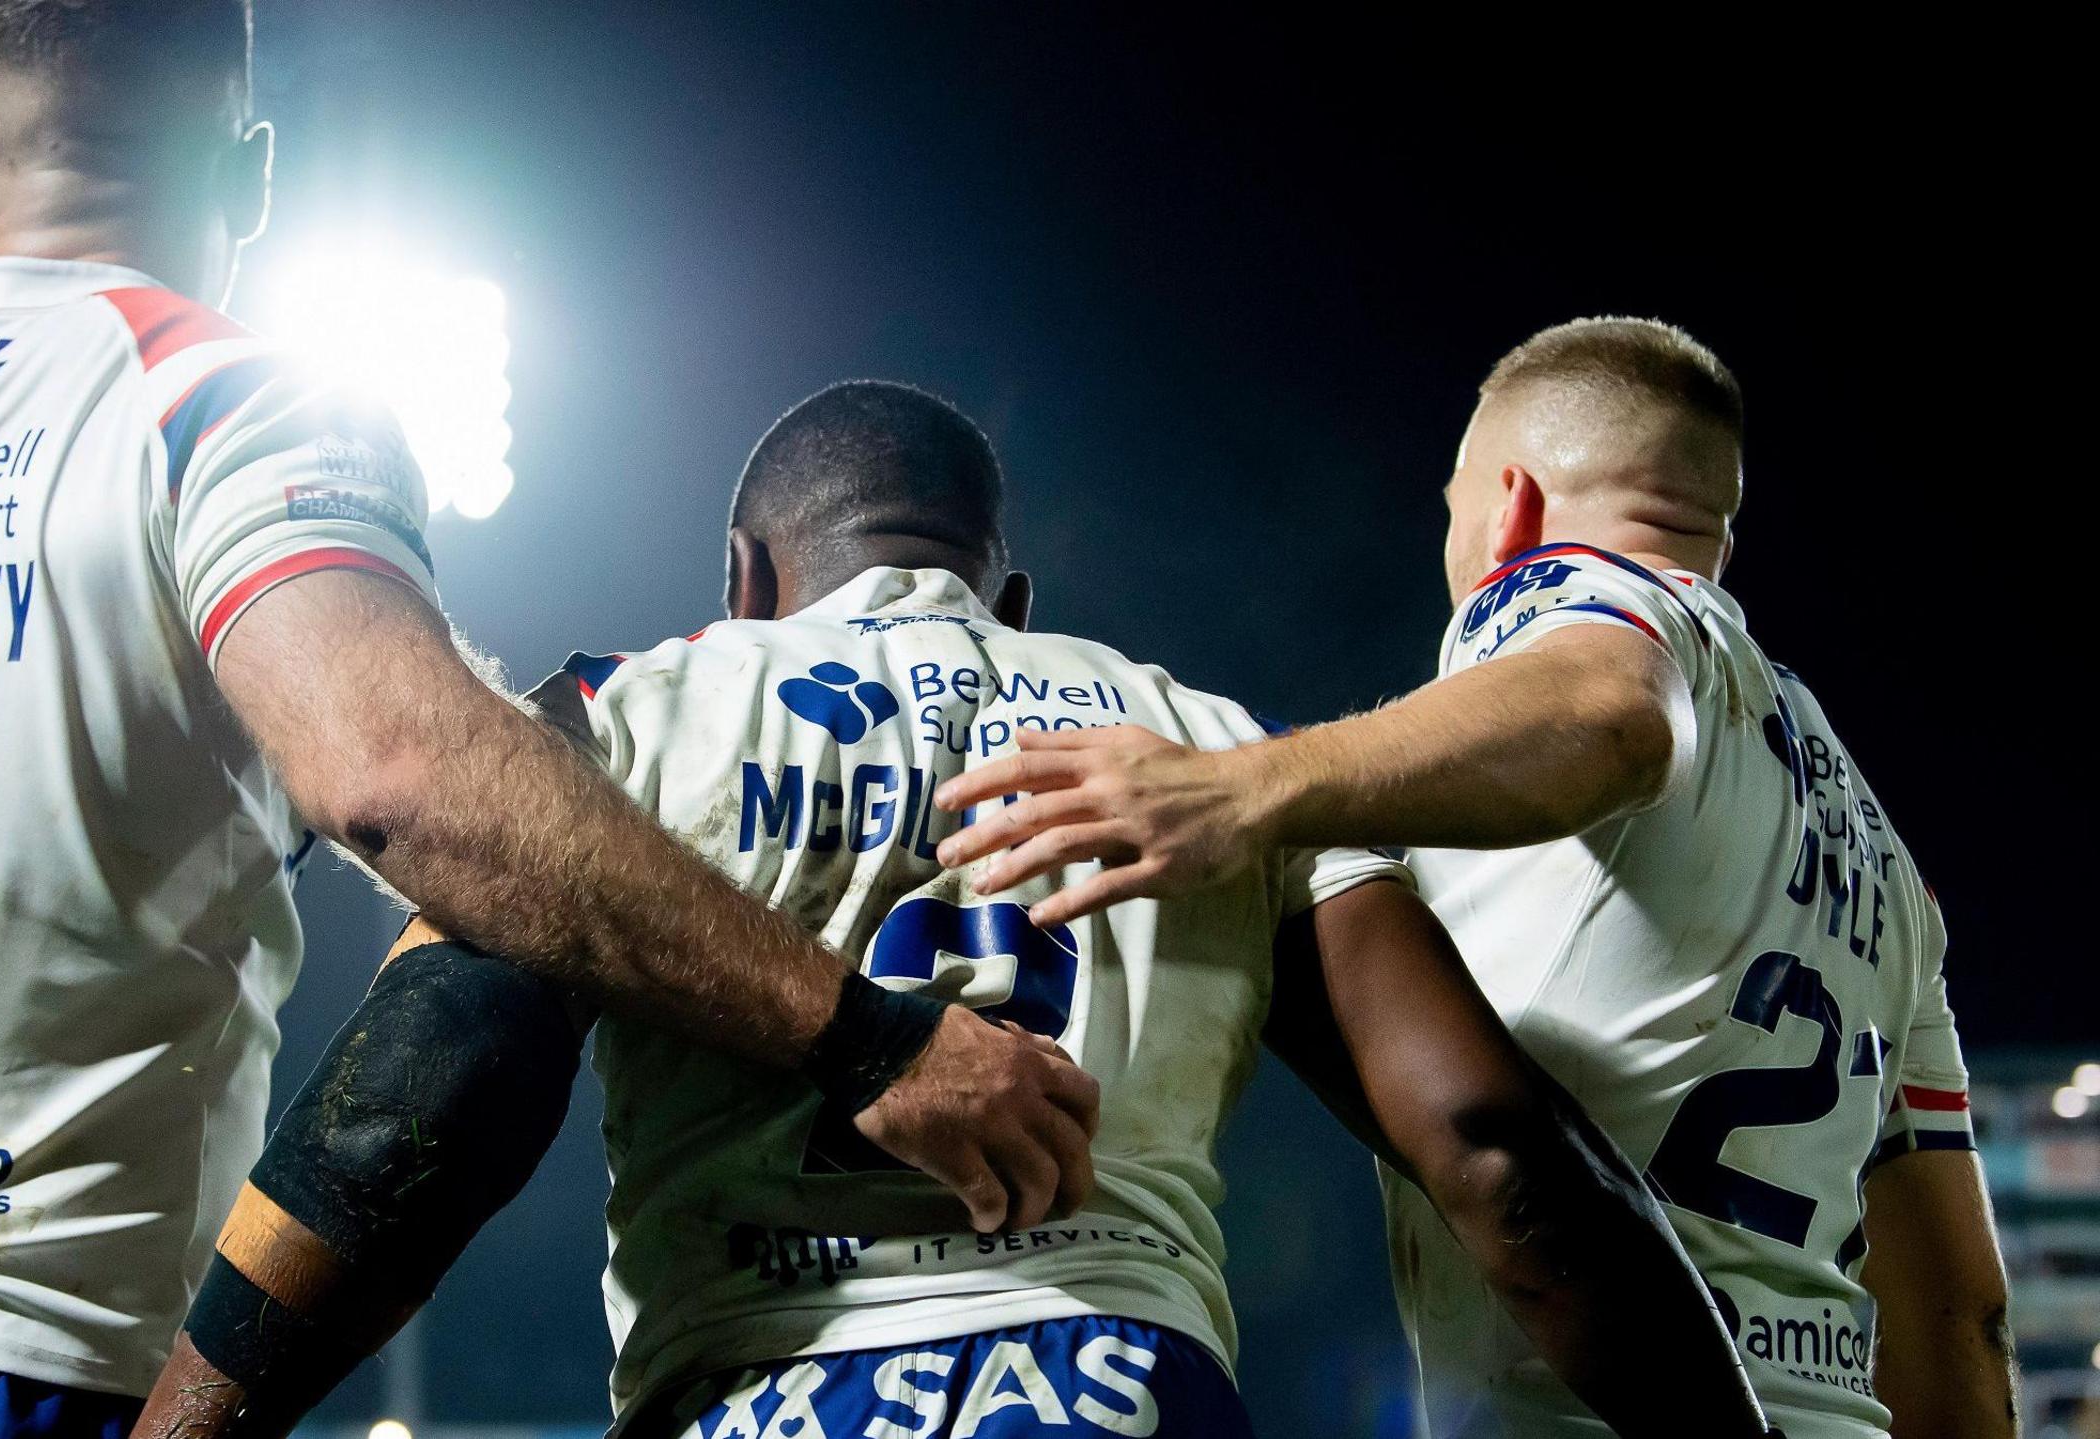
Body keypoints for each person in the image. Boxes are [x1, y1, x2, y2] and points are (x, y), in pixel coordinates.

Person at [0, 7, 1093, 1435]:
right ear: (250, 165)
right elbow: (409, 783)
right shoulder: (226, 410)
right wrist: (862, 1029)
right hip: (38, 1371)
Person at [134, 381, 1783, 1439]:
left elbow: (440, 1070)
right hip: (1118, 1396)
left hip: (753, 1397)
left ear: (745, 577)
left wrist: (195, 1417)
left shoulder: (624, 718)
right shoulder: (1212, 748)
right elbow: (1496, 1143)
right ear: (1013, 596)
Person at [936, 318, 2016, 1437]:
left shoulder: (1570, 588)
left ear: (1507, 504)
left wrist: (1245, 784)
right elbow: (1958, 1312)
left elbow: (1611, 714)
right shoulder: (1882, 860)